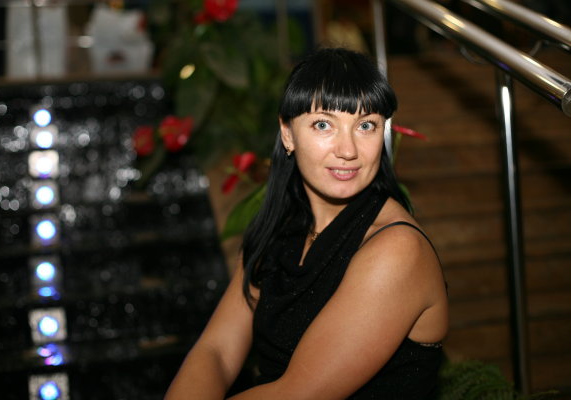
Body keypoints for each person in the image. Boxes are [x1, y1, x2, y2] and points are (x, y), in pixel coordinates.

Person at [164, 47, 448, 400]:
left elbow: (295, 394)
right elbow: (216, 352)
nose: (348, 150)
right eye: (323, 124)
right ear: (287, 134)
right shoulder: (280, 227)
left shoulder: (397, 250)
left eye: (366, 126)